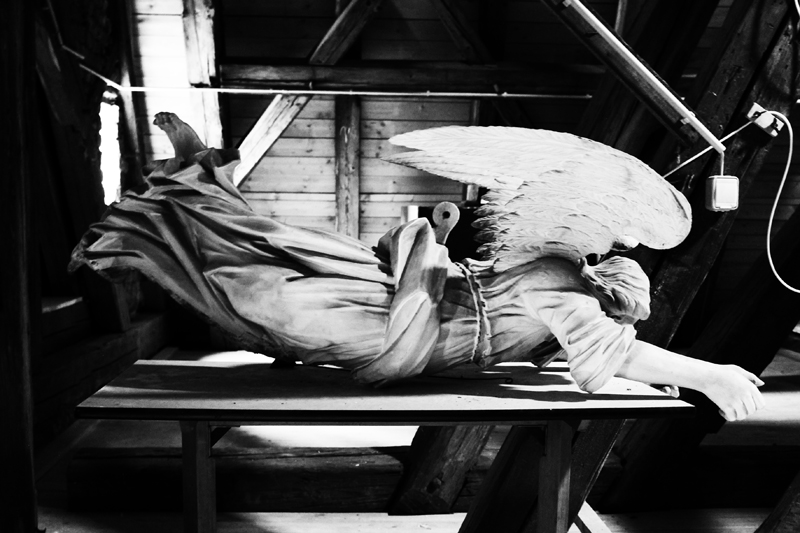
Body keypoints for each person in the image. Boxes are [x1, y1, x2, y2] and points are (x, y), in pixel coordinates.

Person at [70, 113, 765, 421]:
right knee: (280, 265)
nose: (613, 280)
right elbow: (619, 358)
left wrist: (686, 376)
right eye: (617, 287)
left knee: (267, 290)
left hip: (417, 314)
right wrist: (710, 374)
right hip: (419, 305)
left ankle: (165, 221)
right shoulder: (565, 285)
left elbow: (607, 355)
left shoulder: (562, 281)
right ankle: (191, 190)